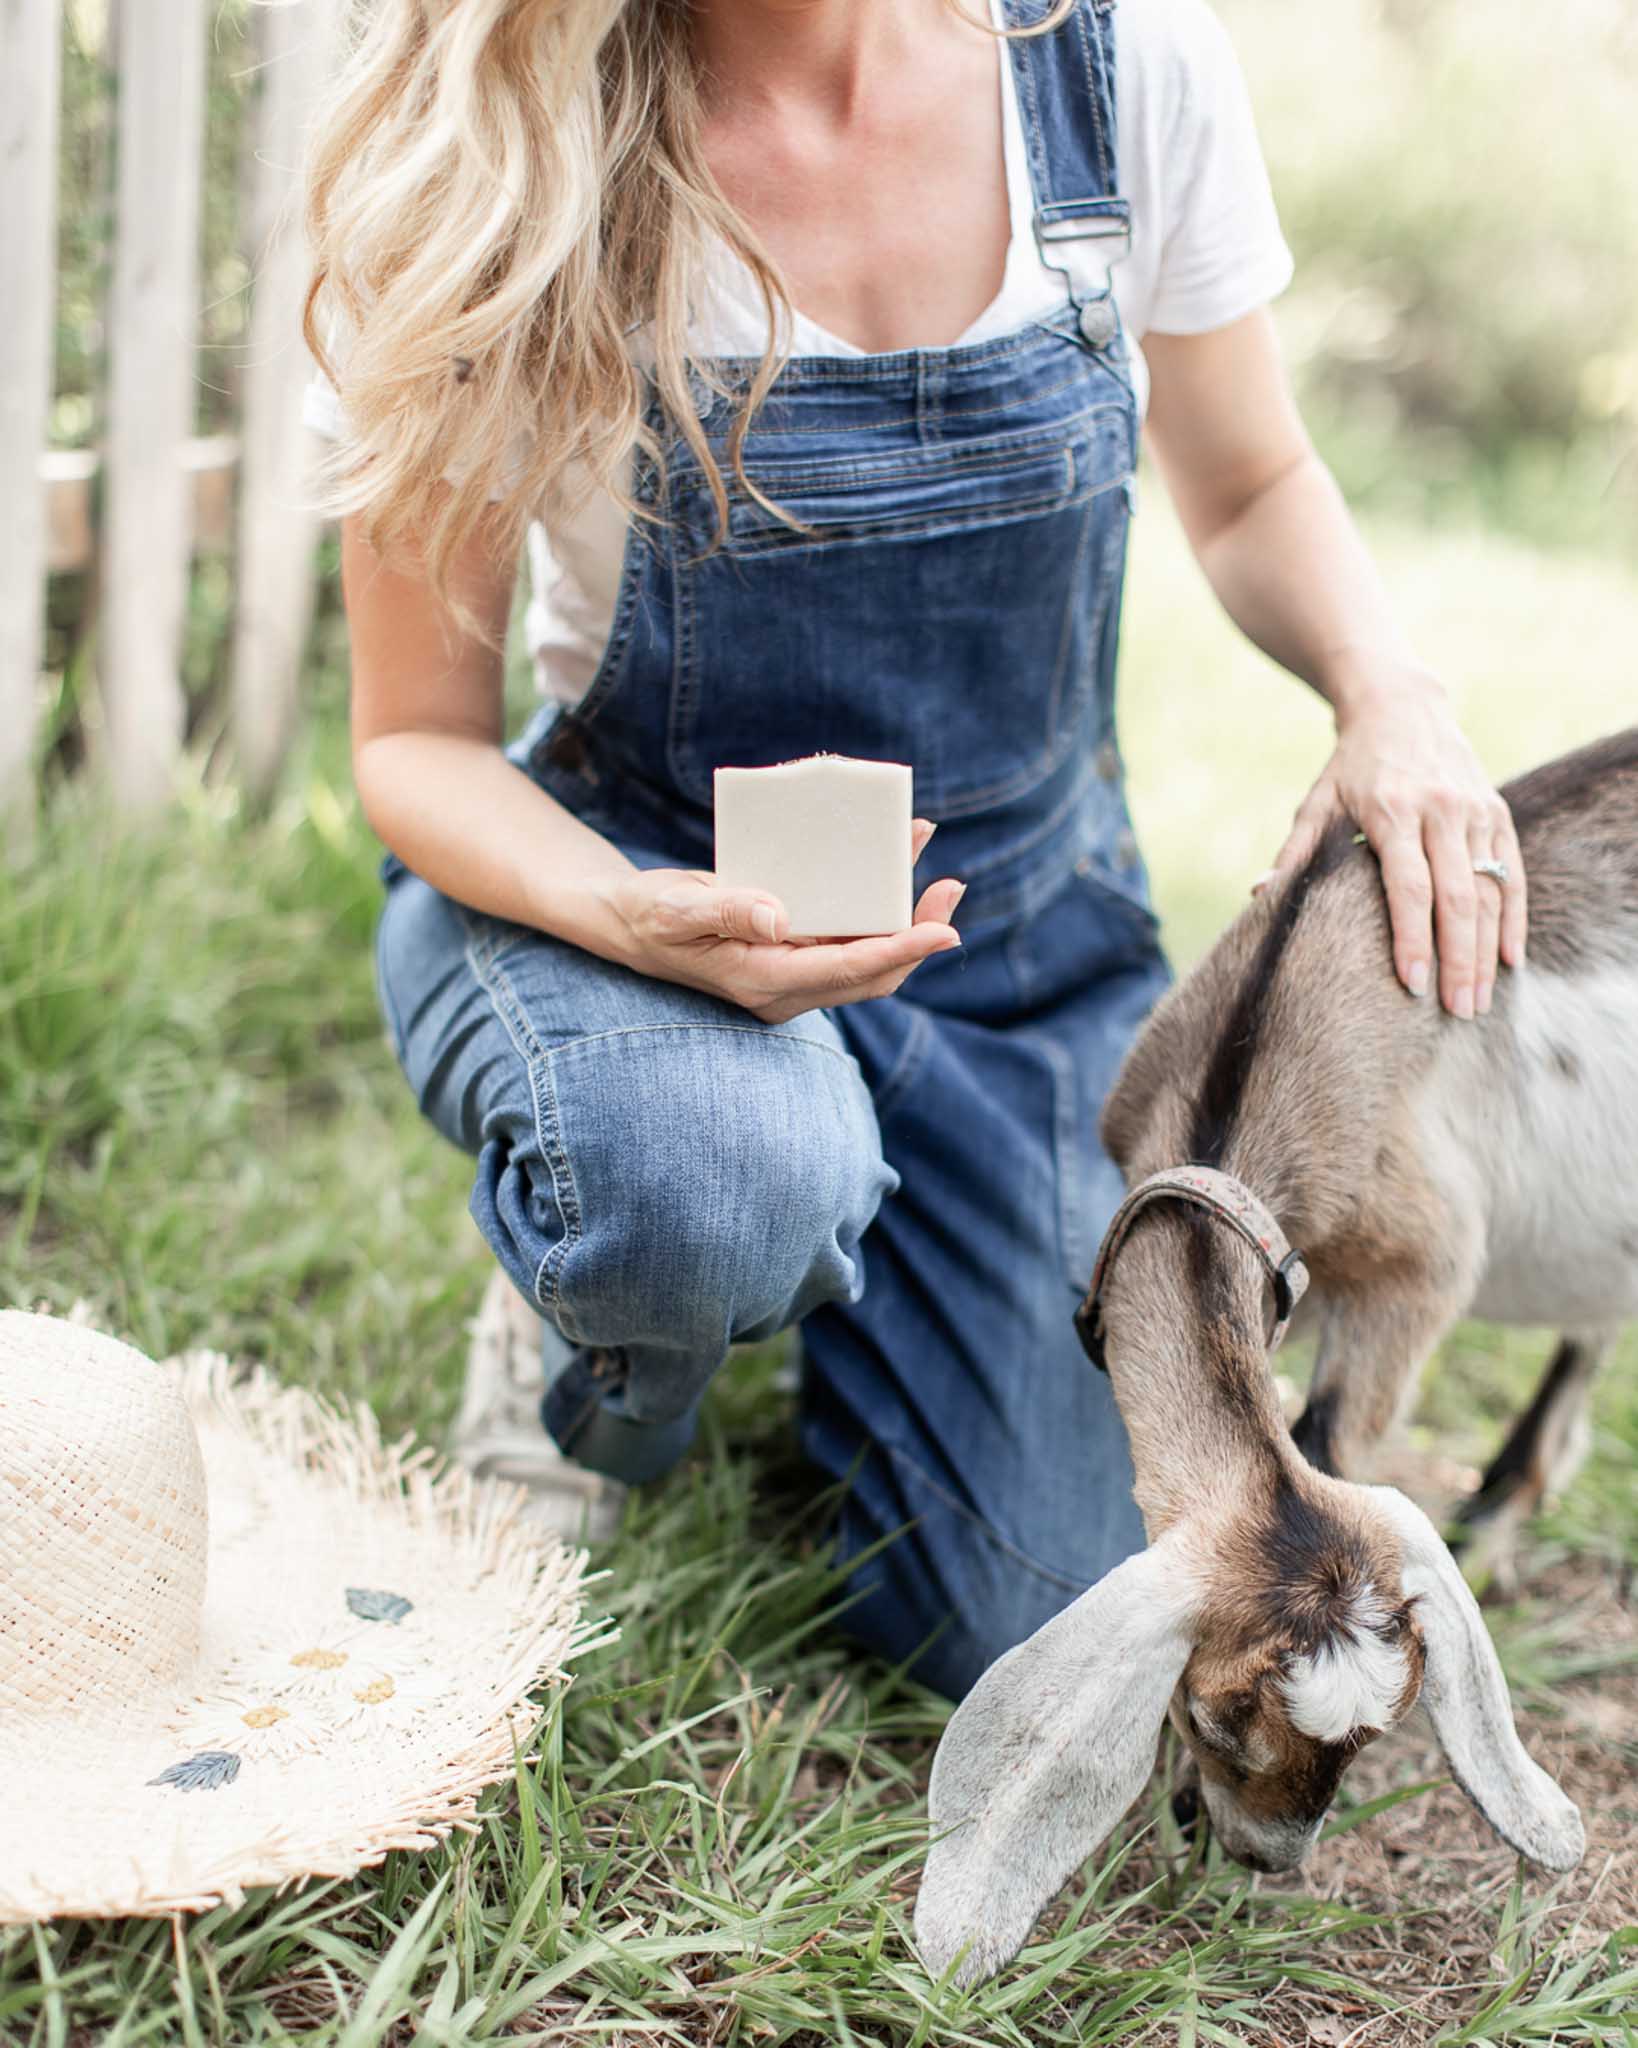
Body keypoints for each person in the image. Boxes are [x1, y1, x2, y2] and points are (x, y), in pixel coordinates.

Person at [304, 0, 1528, 1700]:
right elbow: (413, 739)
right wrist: (637, 919)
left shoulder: (1118, 73)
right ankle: (602, 1327)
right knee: (706, 1189)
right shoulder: (506, 139)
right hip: (628, 909)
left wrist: (1385, 692)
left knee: (1029, 1613)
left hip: (1012, 959)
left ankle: (844, 1250)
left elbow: (1246, 485)